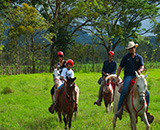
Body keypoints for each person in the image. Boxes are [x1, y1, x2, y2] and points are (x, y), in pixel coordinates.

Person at [115, 41, 153, 122]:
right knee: (124, 90)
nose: (130, 50)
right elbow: (120, 67)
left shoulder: (139, 58)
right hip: (128, 76)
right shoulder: (125, 58)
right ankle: (119, 110)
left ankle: (146, 111)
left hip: (137, 77)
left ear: (135, 48)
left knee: (147, 93)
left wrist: (140, 70)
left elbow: (142, 66)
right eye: (129, 49)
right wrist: (117, 77)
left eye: (132, 48)